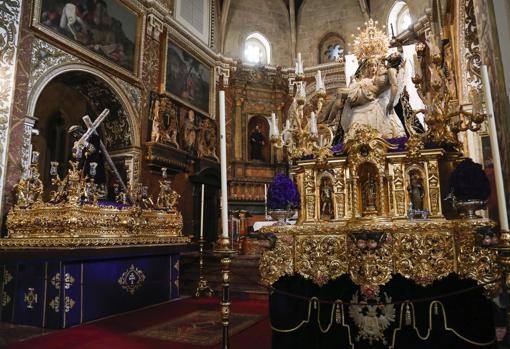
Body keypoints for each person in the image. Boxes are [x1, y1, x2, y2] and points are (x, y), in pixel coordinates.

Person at [340, 53, 406, 139]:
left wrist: (391, 103)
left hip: (378, 101)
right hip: (368, 98)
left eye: (375, 66)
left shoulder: (390, 71)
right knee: (354, 113)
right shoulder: (384, 71)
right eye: (371, 66)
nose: (373, 68)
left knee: (384, 128)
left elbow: (394, 86)